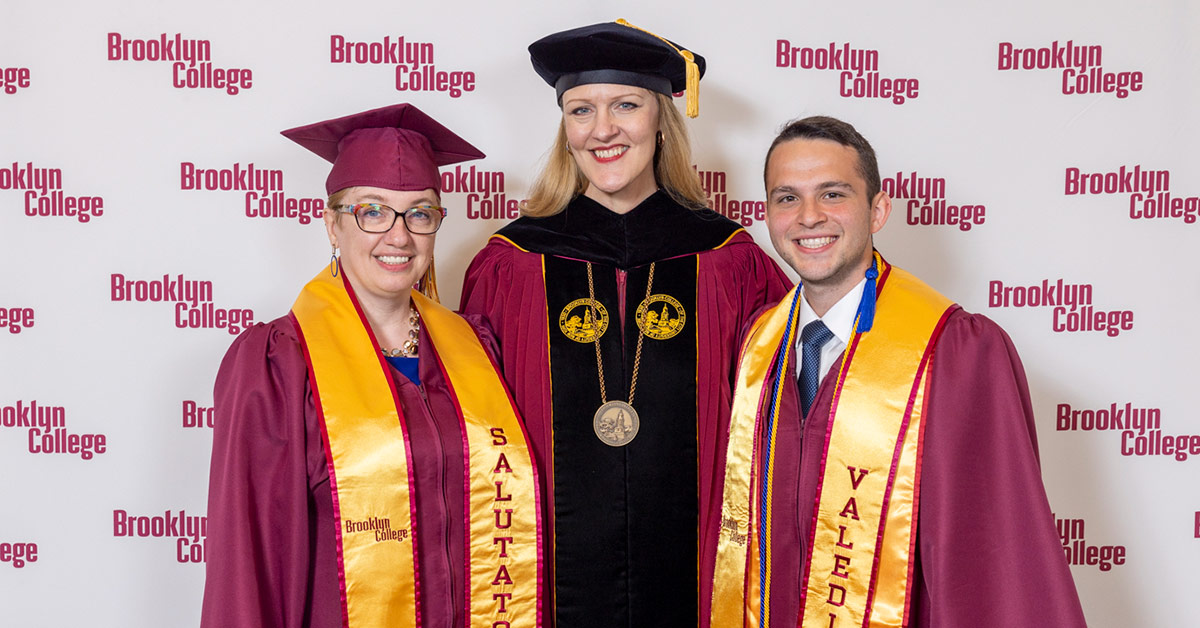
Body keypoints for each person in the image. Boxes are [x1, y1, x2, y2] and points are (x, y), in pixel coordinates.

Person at [460, 20, 790, 627]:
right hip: (550, 578)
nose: (603, 129)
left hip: (695, 574)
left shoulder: (726, 258)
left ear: (662, 119)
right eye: (581, 110)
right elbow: (473, 434)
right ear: (565, 130)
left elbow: (781, 416)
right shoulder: (512, 262)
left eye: (626, 105)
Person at [709, 116, 1087, 627]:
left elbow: (993, 565)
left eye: (833, 194)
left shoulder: (955, 353)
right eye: (787, 198)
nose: (809, 217)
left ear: (878, 209)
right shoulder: (757, 347)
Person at [201, 103, 541, 628]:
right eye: (372, 211)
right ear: (333, 224)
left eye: (420, 213)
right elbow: (249, 565)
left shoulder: (475, 349)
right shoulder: (279, 365)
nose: (399, 236)